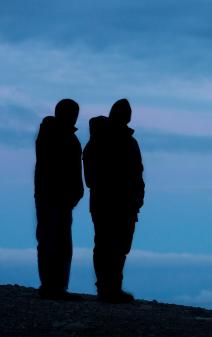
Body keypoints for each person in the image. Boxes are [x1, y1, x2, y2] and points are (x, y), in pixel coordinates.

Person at [83, 98, 145, 303]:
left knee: (119, 247)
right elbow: (91, 176)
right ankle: (106, 288)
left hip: (125, 204)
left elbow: (138, 173)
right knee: (106, 245)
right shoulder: (100, 139)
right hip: (108, 202)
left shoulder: (129, 142)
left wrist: (138, 197)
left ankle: (112, 287)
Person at [34, 98, 84, 300]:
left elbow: (73, 171)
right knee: (51, 240)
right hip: (52, 197)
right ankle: (51, 286)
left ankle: (56, 286)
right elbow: (54, 169)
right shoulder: (54, 135)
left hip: (61, 199)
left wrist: (75, 193)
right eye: (71, 113)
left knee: (60, 242)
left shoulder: (66, 137)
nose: (74, 117)